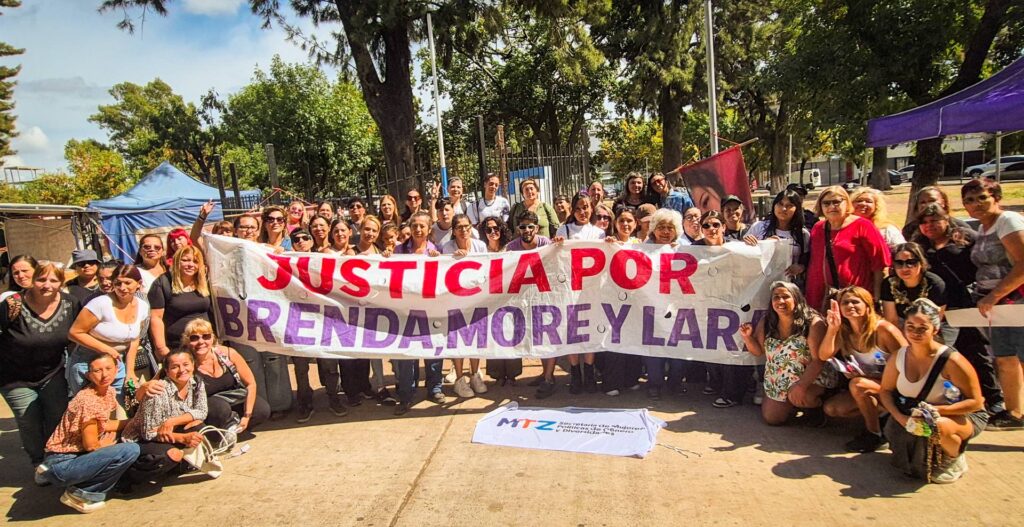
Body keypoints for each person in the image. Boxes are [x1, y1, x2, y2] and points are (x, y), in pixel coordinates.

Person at [879, 298, 988, 484]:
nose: (915, 333)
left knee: (937, 425)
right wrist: (899, 416)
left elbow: (976, 402)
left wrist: (935, 411)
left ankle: (955, 457)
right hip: (915, 412)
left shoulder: (952, 360)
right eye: (910, 327)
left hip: (958, 413)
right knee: (896, 428)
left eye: (922, 328)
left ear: (935, 330)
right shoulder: (899, 356)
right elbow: (886, 391)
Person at [912, 203, 1004, 415]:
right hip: (938, 308)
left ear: (947, 220)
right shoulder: (920, 246)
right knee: (945, 355)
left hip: (967, 304)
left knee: (977, 351)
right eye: (924, 222)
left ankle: (993, 398)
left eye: (934, 220)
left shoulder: (965, 238)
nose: (929, 226)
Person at [36, 353, 140, 513]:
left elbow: (103, 425)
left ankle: (82, 489)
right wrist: (108, 445)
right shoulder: (88, 400)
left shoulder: (108, 392)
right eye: (97, 371)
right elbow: (91, 445)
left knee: (123, 441)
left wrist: (134, 422)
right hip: (62, 462)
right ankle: (81, 493)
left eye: (108, 368)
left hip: (71, 458)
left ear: (116, 369)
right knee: (130, 450)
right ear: (89, 375)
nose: (104, 374)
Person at [0, 262, 80, 465]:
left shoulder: (70, 304)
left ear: (62, 283)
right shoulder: (13, 304)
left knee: (57, 417)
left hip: (52, 372)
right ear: (32, 280)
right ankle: (38, 462)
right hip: (13, 376)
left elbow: (78, 335)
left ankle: (55, 460)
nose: (47, 285)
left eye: (54, 280)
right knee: (29, 421)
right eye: (41, 279)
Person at [961, 178, 1024, 430]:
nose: (976, 204)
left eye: (982, 198)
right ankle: (1015, 413)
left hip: (1016, 299)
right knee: (1005, 358)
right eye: (969, 200)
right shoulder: (985, 228)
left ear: (996, 197)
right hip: (997, 306)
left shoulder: (1008, 221)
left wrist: (995, 295)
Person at [818, 286, 907, 452]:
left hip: (897, 389)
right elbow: (823, 355)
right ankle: (881, 416)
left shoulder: (883, 330)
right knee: (832, 408)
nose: (850, 306)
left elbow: (909, 361)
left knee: (858, 384)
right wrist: (832, 328)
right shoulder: (844, 331)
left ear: (868, 305)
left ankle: (874, 434)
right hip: (871, 386)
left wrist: (875, 377)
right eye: (845, 302)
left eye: (855, 301)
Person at [738, 281, 837, 425]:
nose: (780, 301)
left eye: (785, 296)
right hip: (780, 378)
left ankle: (817, 406)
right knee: (772, 418)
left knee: (805, 397)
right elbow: (758, 351)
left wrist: (801, 386)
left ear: (796, 299)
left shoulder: (813, 323)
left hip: (811, 377)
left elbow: (818, 360)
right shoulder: (767, 321)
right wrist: (747, 338)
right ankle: (792, 405)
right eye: (776, 297)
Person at [123, 349, 207, 484]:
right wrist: (182, 438)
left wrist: (171, 421)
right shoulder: (158, 392)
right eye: (175, 367)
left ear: (193, 365)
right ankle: (129, 477)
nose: (182, 370)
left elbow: (202, 411)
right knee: (172, 455)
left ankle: (176, 467)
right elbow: (148, 433)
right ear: (167, 371)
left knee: (199, 428)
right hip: (141, 439)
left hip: (169, 430)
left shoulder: (196, 382)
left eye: (186, 364)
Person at [289, 228, 347, 422]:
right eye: (296, 239)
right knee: (301, 365)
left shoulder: (323, 261)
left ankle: (333, 397)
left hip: (323, 319)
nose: (301, 242)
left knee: (329, 362)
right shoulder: (285, 261)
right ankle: (305, 402)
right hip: (297, 319)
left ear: (312, 241)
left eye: (305, 238)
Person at [68, 264, 149, 400]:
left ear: (138, 284)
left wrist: (130, 371)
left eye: (128, 283)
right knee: (91, 410)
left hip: (116, 364)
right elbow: (75, 332)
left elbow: (134, 339)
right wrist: (107, 349)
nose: (122, 288)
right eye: (118, 283)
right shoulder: (100, 304)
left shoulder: (142, 306)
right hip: (89, 364)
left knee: (117, 408)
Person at [805, 185, 891, 312]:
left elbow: (880, 264)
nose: (831, 206)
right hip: (820, 297)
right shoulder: (818, 228)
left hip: (854, 299)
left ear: (847, 202)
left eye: (836, 202)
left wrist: (876, 298)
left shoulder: (863, 226)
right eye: (826, 203)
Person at [554, 192, 606, 394]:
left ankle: (589, 371)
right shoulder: (564, 230)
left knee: (590, 331)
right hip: (570, 289)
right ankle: (575, 372)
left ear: (591, 208)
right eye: (578, 208)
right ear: (572, 210)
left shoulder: (598, 233)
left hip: (591, 290)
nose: (582, 212)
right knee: (572, 332)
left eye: (586, 207)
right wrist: (556, 245)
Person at [392, 211, 443, 415]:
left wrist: (440, 260)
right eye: (415, 226)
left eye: (422, 226)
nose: (418, 230)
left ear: (429, 229)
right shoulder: (398, 250)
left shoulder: (436, 251)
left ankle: (434, 388)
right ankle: (406, 395)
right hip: (405, 310)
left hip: (431, 309)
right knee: (406, 353)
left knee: (433, 350)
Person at [505, 212, 558, 397]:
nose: (526, 230)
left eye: (530, 226)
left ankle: (550, 378)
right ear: (517, 229)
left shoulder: (545, 243)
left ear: (536, 228)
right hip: (524, 299)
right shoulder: (511, 247)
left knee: (548, 337)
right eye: (522, 227)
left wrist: (559, 246)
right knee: (536, 337)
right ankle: (545, 373)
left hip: (546, 296)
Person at [185, 319, 269, 432]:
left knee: (261, 410)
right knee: (220, 408)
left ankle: (233, 428)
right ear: (187, 341)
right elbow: (163, 376)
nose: (201, 341)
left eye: (206, 336)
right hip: (207, 405)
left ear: (212, 338)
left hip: (232, 398)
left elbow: (251, 383)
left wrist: (247, 415)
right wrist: (152, 384)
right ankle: (215, 432)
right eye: (194, 338)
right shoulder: (185, 361)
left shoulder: (228, 353)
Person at [442, 214, 490, 398]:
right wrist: (454, 259)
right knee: (458, 338)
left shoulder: (480, 246)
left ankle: (475, 374)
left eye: (467, 226)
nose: (464, 230)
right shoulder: (448, 247)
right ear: (453, 231)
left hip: (476, 299)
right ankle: (460, 378)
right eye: (459, 227)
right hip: (455, 300)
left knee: (476, 337)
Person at [643, 209, 689, 400]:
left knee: (678, 348)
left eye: (670, 228)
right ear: (653, 230)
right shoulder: (642, 250)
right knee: (654, 349)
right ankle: (654, 384)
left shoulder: (685, 248)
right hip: (650, 307)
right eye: (661, 227)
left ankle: (675, 383)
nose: (665, 231)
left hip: (677, 308)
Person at [148, 245, 212, 361]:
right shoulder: (163, 283)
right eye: (186, 260)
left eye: (195, 261)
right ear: (177, 261)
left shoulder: (204, 281)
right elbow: (156, 318)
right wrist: (161, 348)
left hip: (204, 344)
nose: (191, 265)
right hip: (177, 347)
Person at [479, 216, 519, 385]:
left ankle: (512, 374)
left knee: (510, 336)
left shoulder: (510, 249)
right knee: (493, 336)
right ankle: (497, 374)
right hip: (489, 298)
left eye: (496, 228)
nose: (493, 232)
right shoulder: (480, 251)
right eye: (488, 230)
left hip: (509, 298)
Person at [880, 242, 948, 337]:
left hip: (933, 326)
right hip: (902, 324)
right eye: (899, 263)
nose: (904, 268)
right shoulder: (889, 283)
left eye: (911, 263)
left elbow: (935, 320)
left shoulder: (935, 284)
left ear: (921, 263)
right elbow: (892, 320)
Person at [743, 189, 809, 283]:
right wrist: (762, 244)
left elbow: (808, 261)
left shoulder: (803, 234)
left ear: (797, 209)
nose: (783, 209)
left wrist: (801, 267)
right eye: (780, 204)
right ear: (774, 206)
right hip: (759, 285)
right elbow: (743, 257)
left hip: (788, 287)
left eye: (789, 205)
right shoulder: (759, 227)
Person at [902, 186, 972, 240]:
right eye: (922, 202)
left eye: (932, 200)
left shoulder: (960, 227)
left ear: (943, 202)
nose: (927, 205)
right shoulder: (909, 230)